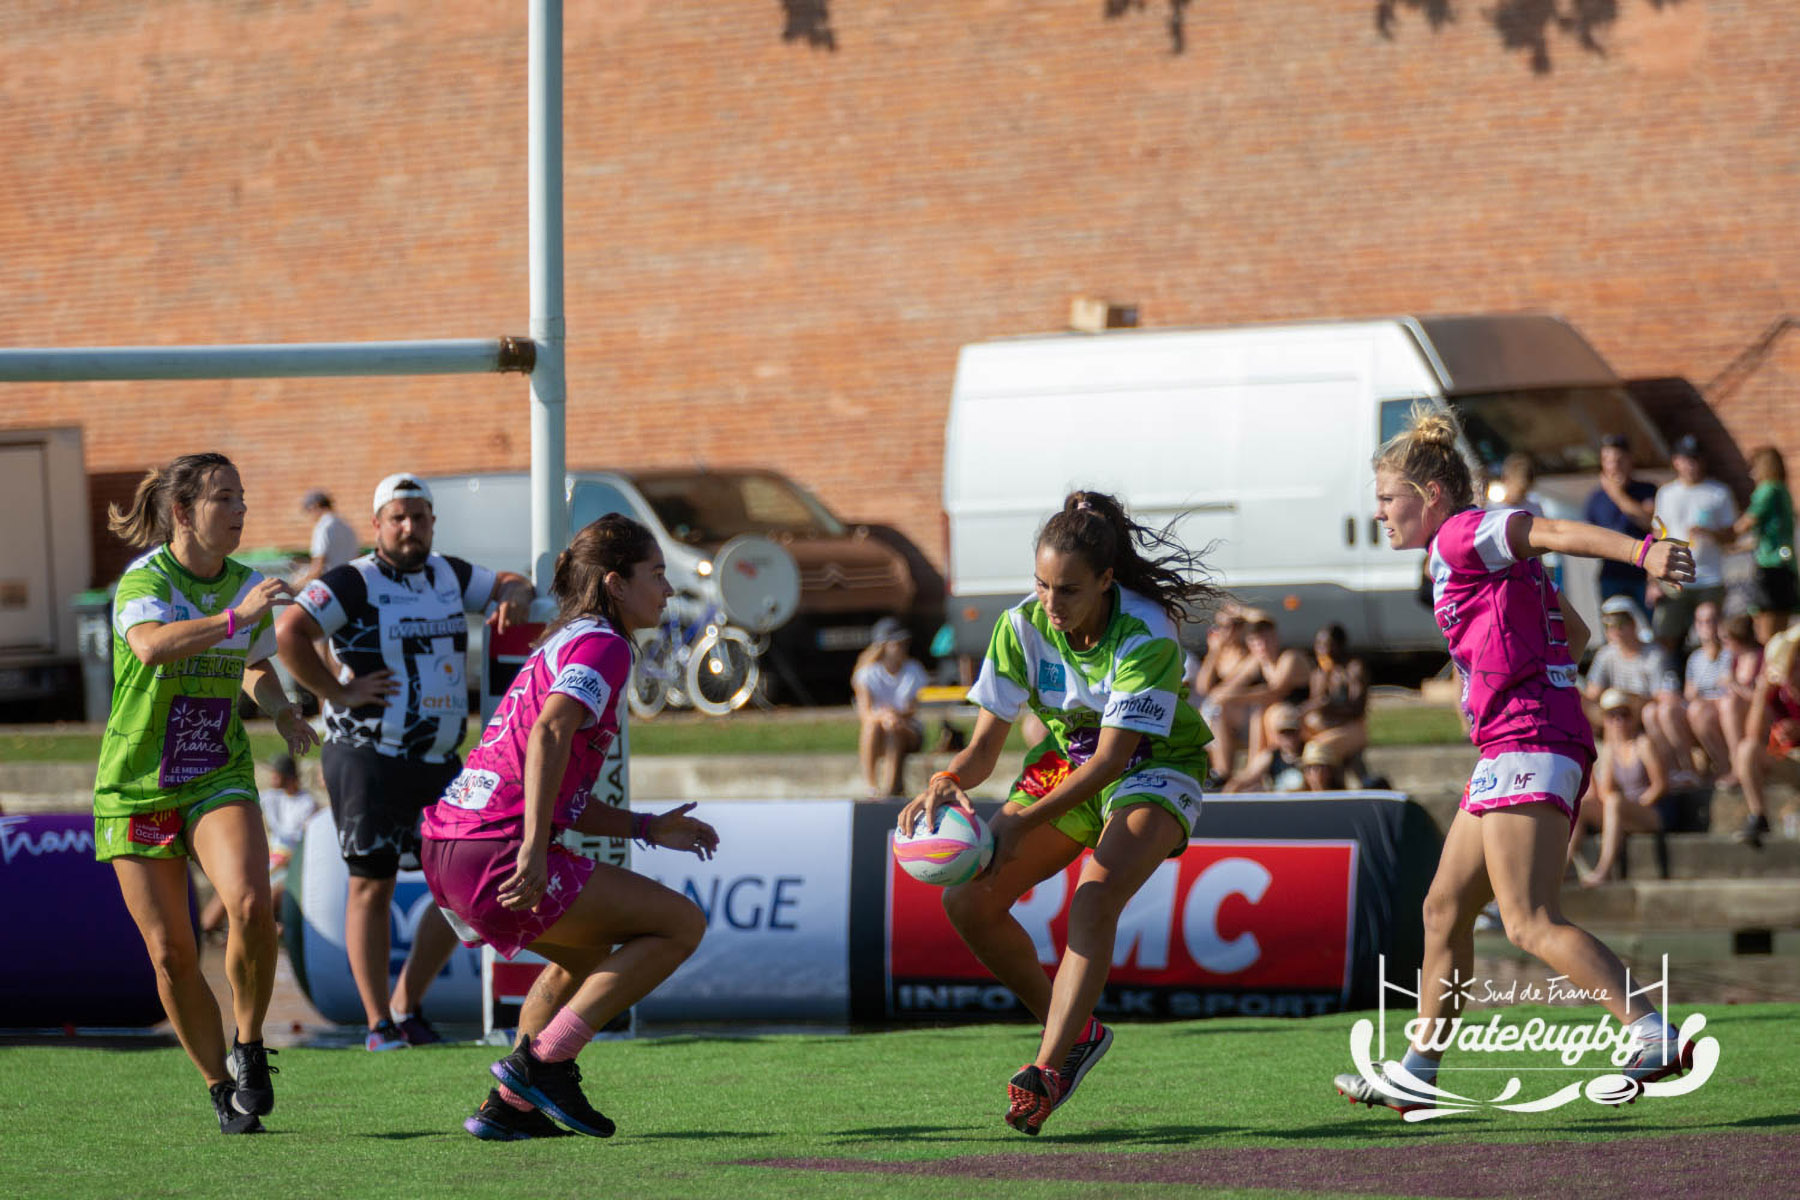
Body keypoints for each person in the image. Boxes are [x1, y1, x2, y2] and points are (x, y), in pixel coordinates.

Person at [1331, 404, 1696, 1115]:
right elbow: (1577, 629)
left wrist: (1642, 553)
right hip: (1517, 743)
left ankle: (1651, 1031)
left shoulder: (1466, 532)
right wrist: (1527, 676)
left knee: (1527, 920)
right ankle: (1418, 1070)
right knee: (1443, 909)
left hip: (1529, 744)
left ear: (1430, 495)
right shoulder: (1465, 556)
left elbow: (1549, 530)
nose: (1378, 513)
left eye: (1386, 498)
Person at [897, 490, 1215, 1136]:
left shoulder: (1147, 631)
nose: (1051, 604)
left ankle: (1047, 1071)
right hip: (1071, 765)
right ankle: (1074, 1032)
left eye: (1067, 590)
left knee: (1093, 902)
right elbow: (986, 745)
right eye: (1041, 585)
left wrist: (1016, 821)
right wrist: (949, 776)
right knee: (967, 903)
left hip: (1154, 767)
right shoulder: (1020, 627)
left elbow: (1111, 762)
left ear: (1105, 580)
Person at [420, 514, 717, 1140]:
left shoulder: (565, 639)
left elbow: (557, 785)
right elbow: (552, 730)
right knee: (681, 923)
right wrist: (531, 848)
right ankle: (542, 1065)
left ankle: (508, 1107)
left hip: (449, 846)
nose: (667, 590)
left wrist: (645, 825)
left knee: (580, 962)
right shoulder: (604, 644)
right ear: (615, 582)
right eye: (656, 575)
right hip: (495, 849)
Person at [93, 452, 320, 1134]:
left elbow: (252, 668)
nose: (241, 511)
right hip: (135, 785)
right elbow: (153, 647)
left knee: (251, 903)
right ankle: (221, 1088)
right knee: (172, 954)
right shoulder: (144, 579)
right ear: (183, 513)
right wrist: (233, 618)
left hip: (214, 772)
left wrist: (280, 708)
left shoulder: (245, 586)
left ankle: (250, 1045)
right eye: (226, 498)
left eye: (244, 497)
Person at [276, 473, 536, 1051]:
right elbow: (290, 628)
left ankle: (405, 1003)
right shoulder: (355, 580)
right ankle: (377, 1024)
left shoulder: (450, 574)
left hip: (438, 758)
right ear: (377, 525)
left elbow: (512, 583)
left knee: (468, 890)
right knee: (373, 883)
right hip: (366, 754)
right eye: (398, 517)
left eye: (419, 516)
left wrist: (515, 595)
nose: (409, 527)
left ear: (433, 522)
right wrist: (334, 693)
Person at [200, 752, 321, 935]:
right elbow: (244, 799)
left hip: (291, 865)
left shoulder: (307, 804)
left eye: (276, 773)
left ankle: (243, 932)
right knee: (230, 885)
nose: (271, 776)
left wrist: (276, 864)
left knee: (268, 894)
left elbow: (301, 847)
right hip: (270, 860)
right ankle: (204, 930)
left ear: (287, 777)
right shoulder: (273, 797)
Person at [1569, 689, 1669, 887]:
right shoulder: (1609, 750)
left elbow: (1660, 785)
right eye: (1612, 716)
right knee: (1583, 805)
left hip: (1653, 809)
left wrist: (1633, 805)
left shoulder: (1643, 744)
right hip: (1625, 808)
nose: (1618, 721)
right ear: (1605, 720)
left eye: (1623, 715)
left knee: (1614, 802)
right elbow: (1604, 790)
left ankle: (1604, 869)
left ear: (1632, 718)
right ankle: (1564, 864)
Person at [1650, 434, 1737, 659]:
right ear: (1676, 461)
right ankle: (1672, 685)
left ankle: (1713, 683)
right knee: (1667, 636)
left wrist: (1710, 533)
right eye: (1686, 458)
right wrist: (1653, 577)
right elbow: (1657, 535)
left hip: (1710, 576)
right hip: (1675, 575)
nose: (1691, 464)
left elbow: (1731, 536)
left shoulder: (1718, 492)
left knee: (1712, 636)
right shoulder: (1666, 493)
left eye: (1695, 458)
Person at [1204, 610, 1309, 784]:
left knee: (1259, 710)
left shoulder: (1290, 658)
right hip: (1271, 718)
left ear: (1276, 638)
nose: (1262, 646)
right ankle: (1222, 773)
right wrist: (1214, 653)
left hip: (1296, 716)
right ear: (1250, 644)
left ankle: (1253, 774)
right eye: (1256, 642)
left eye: (1266, 640)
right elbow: (1218, 690)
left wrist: (1239, 610)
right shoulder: (1257, 662)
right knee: (1220, 711)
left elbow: (1274, 692)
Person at [1582, 595, 1682, 776]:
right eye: (1608, 625)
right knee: (1578, 701)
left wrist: (1627, 700)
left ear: (1634, 623)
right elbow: (1591, 694)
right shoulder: (1605, 655)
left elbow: (1666, 695)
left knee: (1634, 713)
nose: (1614, 631)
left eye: (1620, 623)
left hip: (1642, 711)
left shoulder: (1654, 654)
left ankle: (1667, 769)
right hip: (1614, 712)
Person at [1729, 623, 1800, 848]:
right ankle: (1758, 816)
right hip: (1790, 759)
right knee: (1747, 750)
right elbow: (1752, 733)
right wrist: (1761, 693)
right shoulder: (1778, 689)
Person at [852, 616, 929, 797]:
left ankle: (889, 789)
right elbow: (865, 713)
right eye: (897, 644)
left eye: (904, 644)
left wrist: (896, 716)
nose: (902, 648)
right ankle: (871, 786)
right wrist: (885, 716)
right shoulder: (866, 674)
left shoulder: (914, 669)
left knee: (893, 729)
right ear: (883, 646)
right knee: (873, 726)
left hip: (907, 729)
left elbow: (912, 709)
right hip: (880, 728)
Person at [1583, 433, 1659, 610]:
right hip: (1611, 575)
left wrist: (1616, 494)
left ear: (1630, 460)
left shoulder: (1646, 490)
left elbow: (1648, 522)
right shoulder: (1596, 498)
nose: (1613, 466)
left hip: (1642, 575)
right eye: (1607, 460)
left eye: (1619, 460)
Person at [1734, 445, 1797, 644]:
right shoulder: (1783, 490)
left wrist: (1719, 532)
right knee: (1781, 634)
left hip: (1771, 567)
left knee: (1766, 635)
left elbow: (1745, 523)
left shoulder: (1768, 489)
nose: (1752, 473)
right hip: (1786, 564)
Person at [1300, 623, 1369, 779]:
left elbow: (1357, 708)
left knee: (1316, 752)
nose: (1321, 649)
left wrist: (1329, 707)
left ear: (1340, 645)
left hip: (1351, 727)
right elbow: (1315, 704)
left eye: (1327, 644)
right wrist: (1324, 676)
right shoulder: (1318, 674)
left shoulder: (1353, 669)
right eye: (1318, 644)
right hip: (1326, 728)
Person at [1681, 601, 1736, 784]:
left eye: (1711, 620)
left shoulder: (1730, 652)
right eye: (1702, 621)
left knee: (1699, 711)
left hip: (1723, 709)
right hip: (1703, 710)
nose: (1707, 626)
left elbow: (1729, 687)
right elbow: (1689, 694)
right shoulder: (1694, 659)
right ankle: (1690, 771)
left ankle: (1728, 767)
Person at [1223, 702, 1308, 793]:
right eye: (1283, 732)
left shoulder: (1309, 752)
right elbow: (1246, 778)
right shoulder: (1271, 756)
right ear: (1277, 735)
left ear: (1300, 732)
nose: (1289, 737)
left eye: (1292, 731)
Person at [298, 490, 359, 587]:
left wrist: (298, 584)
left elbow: (318, 565)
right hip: (350, 583)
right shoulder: (346, 526)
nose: (310, 516)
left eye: (308, 510)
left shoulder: (323, 526)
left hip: (331, 586)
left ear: (315, 506)